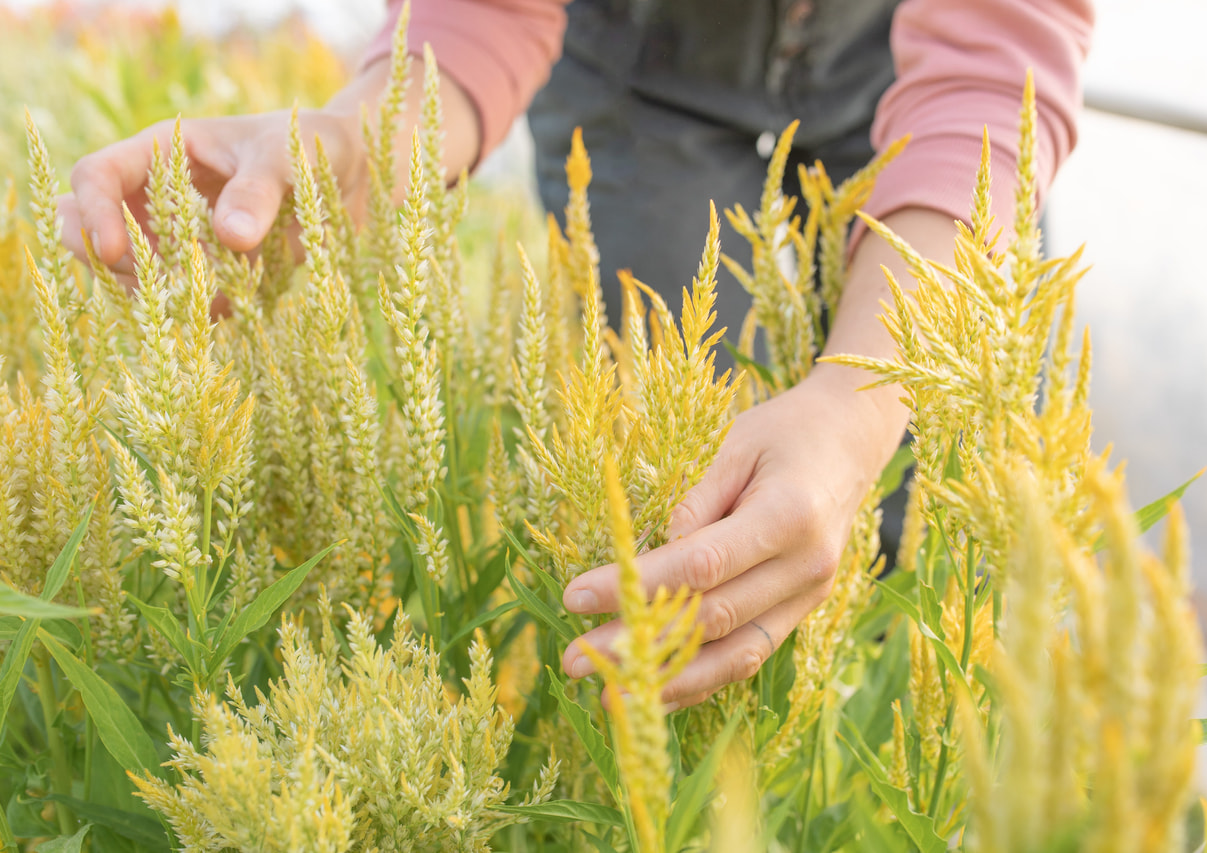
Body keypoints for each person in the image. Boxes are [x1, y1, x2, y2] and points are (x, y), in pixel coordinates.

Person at [58, 0, 1093, 711]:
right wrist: (364, 143)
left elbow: (990, 71)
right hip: (638, 59)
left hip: (915, 65)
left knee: (945, 517)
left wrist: (862, 398)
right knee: (669, 514)